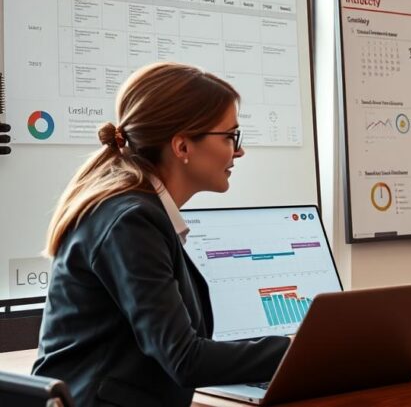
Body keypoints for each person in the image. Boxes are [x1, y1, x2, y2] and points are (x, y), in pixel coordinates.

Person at [33, 62, 289, 407]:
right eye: (230, 136)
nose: (239, 150)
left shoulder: (140, 211)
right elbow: (184, 359)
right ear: (182, 147)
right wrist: (307, 349)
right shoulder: (130, 221)